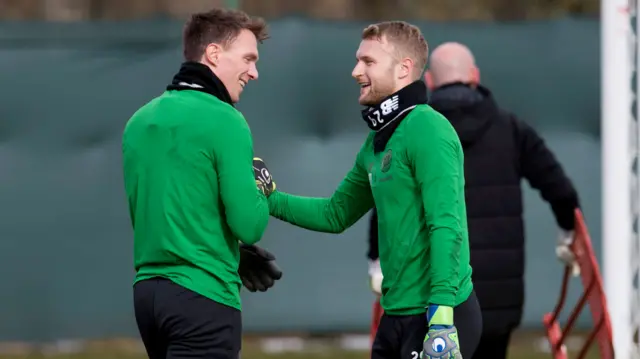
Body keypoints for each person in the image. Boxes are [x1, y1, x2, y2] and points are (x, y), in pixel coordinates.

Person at [253, 22, 482, 359]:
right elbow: (335, 214)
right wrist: (269, 197)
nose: (355, 71)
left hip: (438, 316)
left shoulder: (429, 128)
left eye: (368, 61)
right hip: (397, 314)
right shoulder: (377, 140)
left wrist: (442, 316)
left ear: (404, 68)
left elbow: (447, 225)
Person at [367, 41, 581, 359]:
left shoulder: (410, 131)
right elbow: (561, 191)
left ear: (428, 82)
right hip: (497, 297)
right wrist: (567, 236)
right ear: (475, 76)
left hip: (429, 295)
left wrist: (376, 262)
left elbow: (388, 203)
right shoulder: (511, 129)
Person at [121, 8, 282, 359]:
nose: (254, 72)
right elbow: (249, 224)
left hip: (147, 295)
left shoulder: (139, 120)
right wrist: (260, 185)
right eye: (248, 59)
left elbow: (167, 215)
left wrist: (229, 252)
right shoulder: (227, 120)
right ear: (213, 54)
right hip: (204, 296)